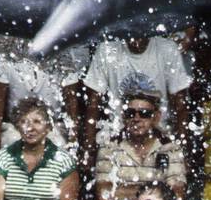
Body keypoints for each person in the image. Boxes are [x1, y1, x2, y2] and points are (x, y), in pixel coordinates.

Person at [94, 91, 187, 200]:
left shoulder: (171, 149)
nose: (136, 119)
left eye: (144, 114)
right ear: (123, 117)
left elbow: (177, 198)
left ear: (156, 117)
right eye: (131, 114)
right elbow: (104, 195)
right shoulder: (109, 148)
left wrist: (122, 191)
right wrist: (155, 193)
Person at [82, 35, 192, 165]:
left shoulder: (167, 49)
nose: (136, 41)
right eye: (132, 35)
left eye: (142, 35)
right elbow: (93, 104)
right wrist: (88, 149)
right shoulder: (106, 50)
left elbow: (181, 106)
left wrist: (183, 149)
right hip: (118, 134)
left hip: (158, 134)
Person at [0, 41, 84, 156]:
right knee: (10, 144)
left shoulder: (64, 53)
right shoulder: (4, 54)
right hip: (16, 128)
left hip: (52, 129)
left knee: (58, 147)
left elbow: (72, 104)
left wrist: (73, 141)